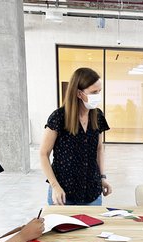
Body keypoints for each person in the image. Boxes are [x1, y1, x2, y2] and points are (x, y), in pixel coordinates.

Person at [40, 67, 112, 206]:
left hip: (92, 191)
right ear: (79, 93)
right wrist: (55, 186)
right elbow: (43, 153)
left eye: (99, 91)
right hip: (63, 193)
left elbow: (99, 149)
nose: (98, 95)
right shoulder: (58, 117)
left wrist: (102, 177)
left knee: (93, 227)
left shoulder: (98, 116)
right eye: (94, 92)